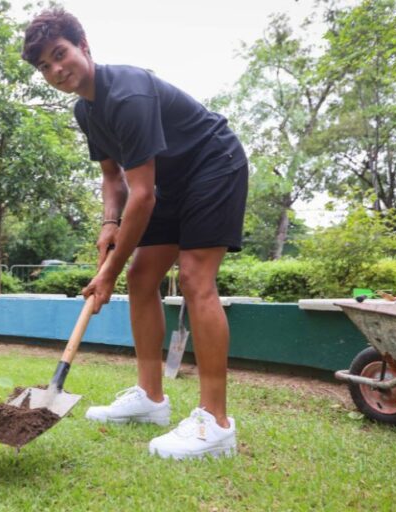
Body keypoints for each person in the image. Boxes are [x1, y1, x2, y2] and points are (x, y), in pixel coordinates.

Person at [22, 8, 249, 460]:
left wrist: (106, 271)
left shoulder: (127, 94)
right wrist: (109, 223)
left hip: (212, 164)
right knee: (141, 279)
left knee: (194, 278)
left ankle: (216, 422)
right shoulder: (86, 112)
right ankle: (151, 398)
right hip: (167, 181)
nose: (55, 69)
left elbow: (142, 196)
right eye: (44, 65)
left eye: (60, 54)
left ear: (84, 46)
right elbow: (115, 180)